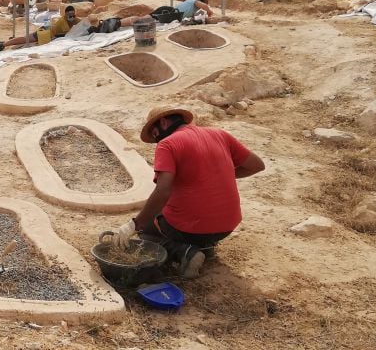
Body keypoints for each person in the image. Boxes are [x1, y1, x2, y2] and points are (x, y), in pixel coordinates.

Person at [111, 106, 264, 278]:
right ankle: (206, 247)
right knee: (167, 212)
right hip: (227, 227)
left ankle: (186, 252)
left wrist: (134, 224)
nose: (156, 139)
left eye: (154, 133)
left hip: (193, 227)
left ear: (163, 122)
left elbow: (162, 191)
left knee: (147, 229)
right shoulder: (220, 134)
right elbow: (257, 165)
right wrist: (217, 175)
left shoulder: (167, 144)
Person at [0, 5, 78, 52]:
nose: (71, 17)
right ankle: (3, 44)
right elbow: (64, 34)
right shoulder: (62, 21)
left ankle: (5, 43)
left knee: (26, 39)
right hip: (45, 33)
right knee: (25, 39)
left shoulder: (73, 20)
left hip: (48, 33)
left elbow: (82, 23)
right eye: (69, 15)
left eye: (73, 15)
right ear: (66, 14)